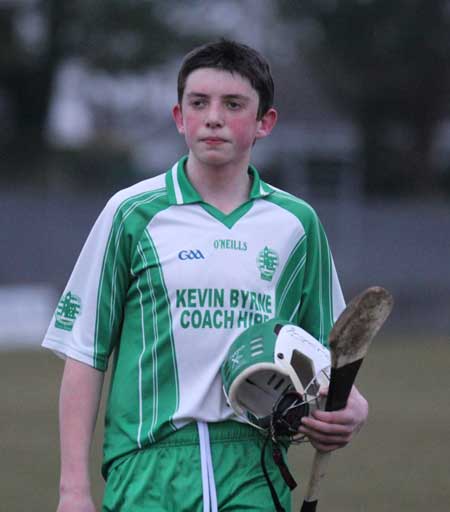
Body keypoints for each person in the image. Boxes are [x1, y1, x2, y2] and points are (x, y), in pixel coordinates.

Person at [42, 40, 369, 512]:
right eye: (199, 103)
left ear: (264, 123)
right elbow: (85, 355)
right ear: (180, 117)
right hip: (149, 470)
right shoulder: (131, 214)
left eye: (233, 104)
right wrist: (72, 491)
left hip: (255, 469)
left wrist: (353, 408)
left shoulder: (297, 225)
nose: (213, 117)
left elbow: (329, 359)